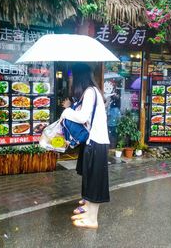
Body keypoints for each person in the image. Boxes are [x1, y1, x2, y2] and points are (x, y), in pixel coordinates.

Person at [60, 63, 110, 229]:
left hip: (97, 141)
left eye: (73, 76)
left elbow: (82, 117)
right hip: (94, 141)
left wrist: (66, 112)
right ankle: (88, 212)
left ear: (79, 76)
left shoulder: (89, 92)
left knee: (95, 181)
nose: (71, 79)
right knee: (90, 177)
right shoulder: (91, 92)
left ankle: (92, 219)